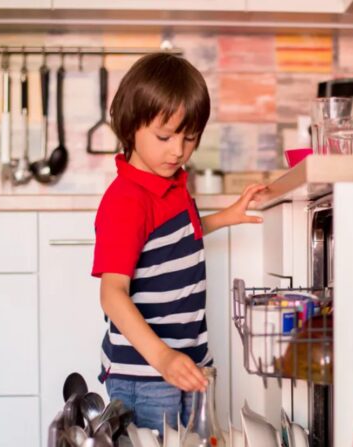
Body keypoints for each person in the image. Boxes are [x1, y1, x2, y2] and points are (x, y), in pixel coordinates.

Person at [91, 53, 265, 434]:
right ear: (130, 125)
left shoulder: (170, 184)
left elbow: (171, 239)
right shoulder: (127, 199)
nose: (177, 151)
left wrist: (224, 217)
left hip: (185, 363)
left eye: (189, 138)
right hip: (145, 375)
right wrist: (163, 359)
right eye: (164, 137)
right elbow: (112, 293)